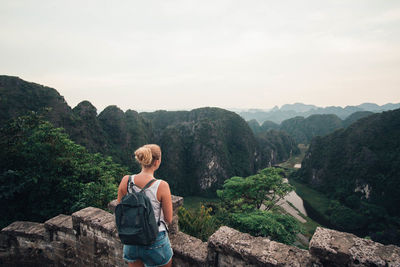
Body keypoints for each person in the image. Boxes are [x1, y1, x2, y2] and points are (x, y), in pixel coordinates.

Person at [117, 144, 173, 267]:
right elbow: (169, 219)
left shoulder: (126, 180)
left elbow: (120, 209)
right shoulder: (162, 186)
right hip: (155, 240)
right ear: (157, 162)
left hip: (131, 240)